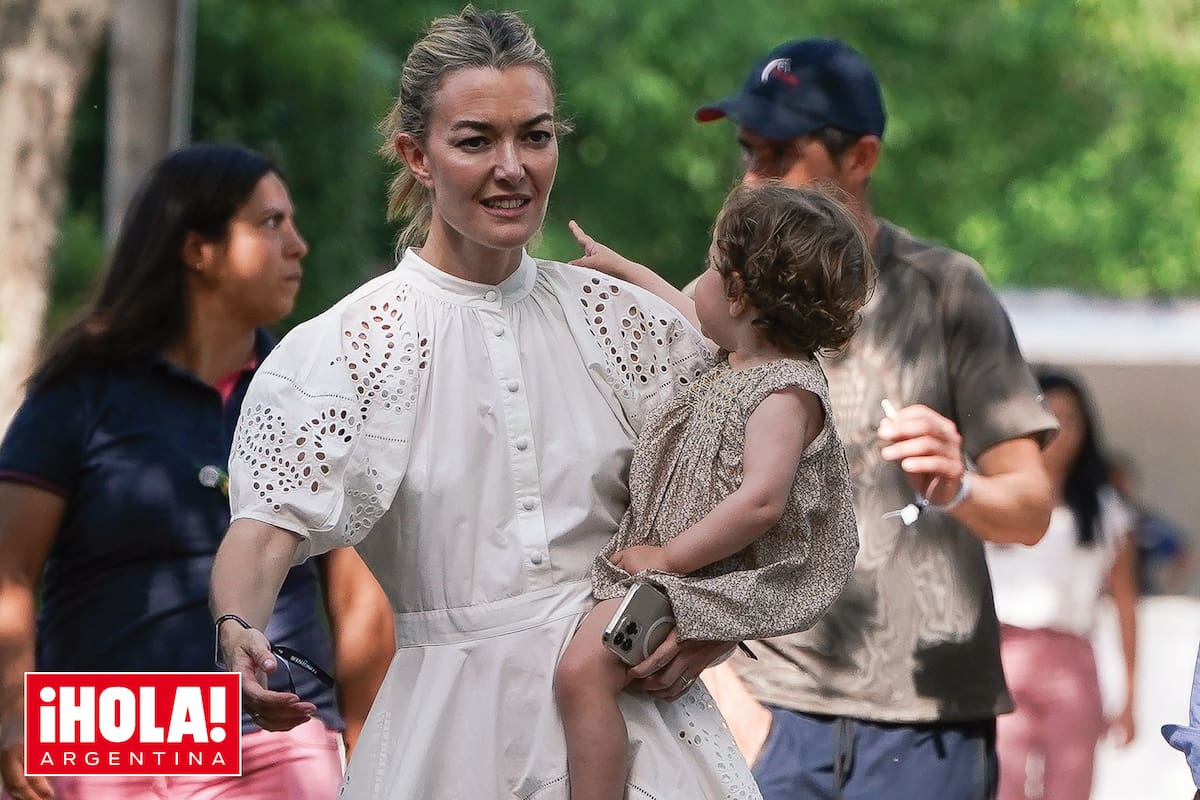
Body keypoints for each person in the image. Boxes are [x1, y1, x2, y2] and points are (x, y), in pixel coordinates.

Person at [209, 8, 760, 799]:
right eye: (475, 141)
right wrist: (237, 629)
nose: (513, 167)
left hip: (639, 718)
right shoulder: (350, 346)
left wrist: (714, 623)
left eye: (536, 136)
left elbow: (757, 492)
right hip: (451, 736)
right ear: (417, 156)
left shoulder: (625, 322)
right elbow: (265, 531)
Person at [571, 37, 1058, 800]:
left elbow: (1030, 512)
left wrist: (960, 486)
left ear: (861, 157)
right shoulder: (728, 292)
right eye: (746, 151)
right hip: (768, 712)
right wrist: (728, 680)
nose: (751, 176)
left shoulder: (946, 291)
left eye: (779, 154)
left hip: (928, 715)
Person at [0, 144, 394, 800]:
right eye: (270, 223)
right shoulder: (81, 390)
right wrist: (15, 712)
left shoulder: (313, 394)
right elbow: (9, 568)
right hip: (102, 728)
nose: (297, 245)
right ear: (197, 250)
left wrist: (372, 750)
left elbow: (359, 599)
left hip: (275, 732)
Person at [554, 183, 869, 800]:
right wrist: (624, 269)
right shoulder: (739, 356)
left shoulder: (782, 394)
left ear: (740, 294)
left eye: (711, 266)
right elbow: (681, 308)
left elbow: (761, 502)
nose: (698, 280)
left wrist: (668, 558)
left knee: (581, 674)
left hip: (696, 577)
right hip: (673, 571)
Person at [985, 369, 1137, 800]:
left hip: (1072, 664)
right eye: (1046, 416)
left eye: (1070, 419)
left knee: (1070, 787)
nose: (1058, 432)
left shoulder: (1105, 511)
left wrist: (1130, 696)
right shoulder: (992, 495)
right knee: (1003, 785)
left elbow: (1126, 605)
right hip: (1003, 656)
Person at [1108, 451, 1192, 595]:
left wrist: (1171, 588)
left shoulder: (1143, 523)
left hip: (1138, 594)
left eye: (1122, 481)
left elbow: (1183, 552)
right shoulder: (1089, 522)